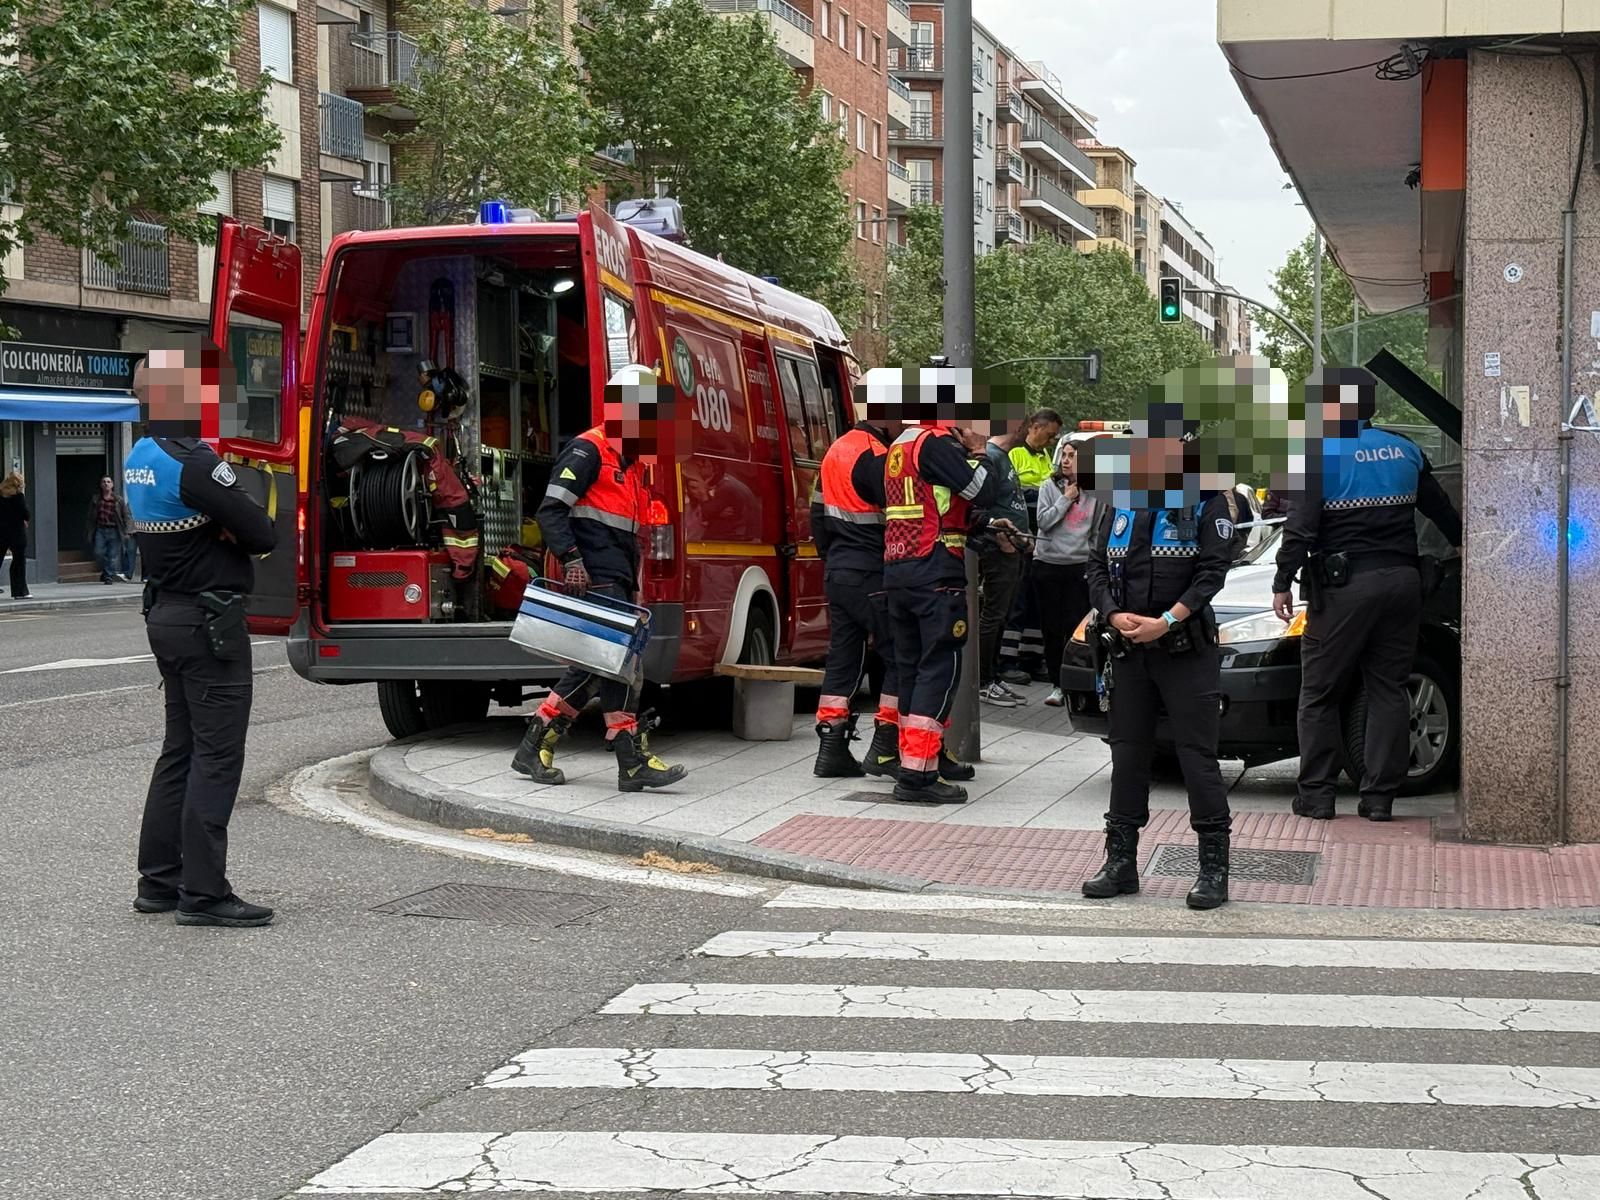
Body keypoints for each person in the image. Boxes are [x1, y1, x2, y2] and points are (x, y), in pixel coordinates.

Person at [125, 339, 277, 927]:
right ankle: (205, 893)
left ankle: (158, 882)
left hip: (166, 615)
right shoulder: (195, 461)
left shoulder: (141, 453)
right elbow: (261, 531)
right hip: (208, 623)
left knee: (179, 752)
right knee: (217, 757)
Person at [1272, 367, 1462, 822]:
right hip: (1402, 583)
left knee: (1319, 692)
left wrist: (1282, 581)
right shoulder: (1405, 450)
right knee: (1388, 690)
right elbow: (1444, 515)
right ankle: (1379, 799)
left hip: (1344, 589)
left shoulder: (1319, 457)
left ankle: (1316, 796)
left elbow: (1300, 530)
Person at [1082, 408, 1235, 909]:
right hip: (1128, 649)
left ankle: (1213, 870)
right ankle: (1120, 863)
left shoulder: (1209, 497)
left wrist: (1166, 621)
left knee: (1197, 759)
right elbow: (1096, 563)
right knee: (1128, 756)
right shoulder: (1121, 497)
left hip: (1184, 648)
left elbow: (1212, 572)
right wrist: (1112, 613)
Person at [511, 366, 687, 792]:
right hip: (595, 578)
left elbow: (627, 536)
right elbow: (551, 509)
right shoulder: (588, 451)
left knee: (612, 670)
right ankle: (622, 759)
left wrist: (634, 584)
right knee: (606, 669)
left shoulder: (628, 465)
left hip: (616, 580)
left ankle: (573, 752)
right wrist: (572, 560)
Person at [883, 416, 1006, 803]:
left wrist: (981, 525)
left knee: (911, 671)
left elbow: (933, 503)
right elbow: (983, 490)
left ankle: (916, 761)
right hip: (935, 572)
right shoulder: (935, 444)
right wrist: (981, 451)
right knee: (939, 670)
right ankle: (918, 776)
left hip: (900, 570)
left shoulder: (900, 446)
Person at [809, 411, 900, 778]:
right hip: (872, 570)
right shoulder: (876, 454)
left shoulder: (835, 451)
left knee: (844, 658)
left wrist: (832, 559)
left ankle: (831, 747)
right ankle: (886, 743)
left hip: (840, 572)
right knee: (900, 653)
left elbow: (817, 513)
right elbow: (897, 513)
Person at [998, 408, 1063, 684]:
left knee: (1035, 601)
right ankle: (1007, 660)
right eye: (1049, 435)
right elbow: (1014, 493)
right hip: (1019, 537)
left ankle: (1032, 658)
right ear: (1034, 427)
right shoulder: (1014, 454)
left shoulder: (1043, 455)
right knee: (1018, 600)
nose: (1050, 442)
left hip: (1039, 540)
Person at [1033, 438, 1099, 707]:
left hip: (1079, 565)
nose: (1066, 460)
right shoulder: (1049, 487)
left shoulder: (1096, 492)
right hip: (1048, 563)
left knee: (1076, 627)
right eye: (1065, 455)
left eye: (1073, 456)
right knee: (1051, 628)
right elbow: (1043, 521)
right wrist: (1065, 499)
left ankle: (1078, 683)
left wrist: (1092, 561)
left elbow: (1097, 531)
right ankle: (1056, 684)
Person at [973, 423, 1031, 710]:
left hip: (1014, 547)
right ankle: (983, 681)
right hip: (998, 548)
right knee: (993, 615)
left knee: (1003, 614)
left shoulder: (1004, 456)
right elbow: (982, 503)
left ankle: (992, 676)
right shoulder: (993, 456)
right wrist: (998, 537)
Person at [86, 475, 134, 583]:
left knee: (112, 556)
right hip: (100, 529)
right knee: (99, 552)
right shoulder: (96, 499)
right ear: (101, 485)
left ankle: (108, 576)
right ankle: (106, 571)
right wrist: (89, 530)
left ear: (112, 485)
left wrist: (127, 530)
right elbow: (91, 516)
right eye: (104, 482)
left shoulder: (118, 500)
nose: (106, 484)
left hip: (114, 530)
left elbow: (126, 515)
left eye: (108, 482)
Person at [0, 471, 30, 598]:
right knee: (19, 561)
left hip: (1, 531)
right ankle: (20, 591)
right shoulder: (18, 497)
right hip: (16, 532)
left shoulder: (0, 495)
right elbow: (25, 513)